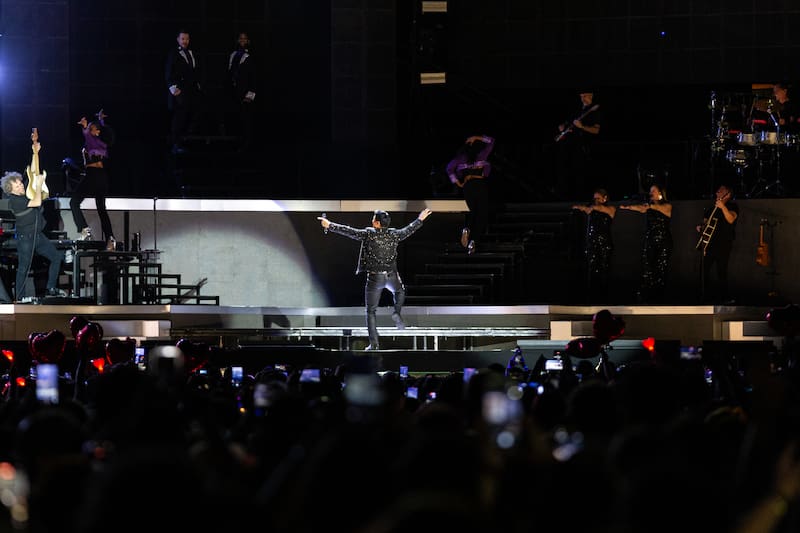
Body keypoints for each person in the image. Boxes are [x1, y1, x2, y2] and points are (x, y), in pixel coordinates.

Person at [317, 208, 433, 350]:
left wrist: (330, 225)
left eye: (373, 219)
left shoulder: (368, 234)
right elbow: (409, 229)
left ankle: (374, 344)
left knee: (371, 311)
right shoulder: (394, 234)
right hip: (391, 276)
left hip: (375, 279)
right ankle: (396, 312)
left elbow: (349, 231)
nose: (371, 220)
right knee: (399, 291)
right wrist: (420, 219)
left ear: (377, 223)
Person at [0, 140, 65, 301]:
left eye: (20, 183)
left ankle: (50, 288)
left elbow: (33, 173)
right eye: (17, 186)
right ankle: (20, 298)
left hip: (38, 236)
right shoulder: (14, 200)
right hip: (26, 239)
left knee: (56, 258)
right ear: (10, 189)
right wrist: (40, 184)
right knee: (23, 268)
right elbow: (36, 201)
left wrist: (35, 152)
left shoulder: (25, 193)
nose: (21, 186)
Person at [619, 183, 672, 304]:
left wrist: (649, 205)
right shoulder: (648, 206)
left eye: (653, 191)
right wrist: (628, 207)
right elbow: (641, 208)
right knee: (648, 268)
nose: (650, 193)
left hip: (663, 241)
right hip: (650, 240)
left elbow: (659, 208)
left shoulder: (667, 205)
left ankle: (659, 297)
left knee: (660, 269)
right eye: (650, 191)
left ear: (660, 193)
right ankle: (648, 296)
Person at [71, 109, 116, 250]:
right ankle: (110, 238)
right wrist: (100, 121)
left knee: (74, 202)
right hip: (102, 177)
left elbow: (89, 136)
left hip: (93, 175)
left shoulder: (94, 140)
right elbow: (96, 134)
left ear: (97, 132)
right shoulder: (100, 143)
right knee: (101, 209)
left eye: (92, 129)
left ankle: (84, 229)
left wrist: (85, 127)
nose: (89, 131)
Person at [446, 135, 495, 255]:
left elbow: (449, 168)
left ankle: (466, 228)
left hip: (468, 187)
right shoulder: (482, 155)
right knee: (481, 214)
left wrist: (458, 183)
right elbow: (491, 141)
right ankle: (473, 241)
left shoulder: (460, 158)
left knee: (471, 211)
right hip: (480, 185)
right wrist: (476, 137)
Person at [554, 91, 601, 200]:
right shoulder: (577, 111)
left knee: (581, 173)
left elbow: (596, 130)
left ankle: (582, 197)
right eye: (581, 96)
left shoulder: (595, 112)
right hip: (570, 147)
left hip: (584, 148)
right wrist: (563, 126)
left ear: (591, 96)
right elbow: (568, 123)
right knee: (567, 172)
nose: (583, 98)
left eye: (585, 96)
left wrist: (582, 127)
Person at [572, 188, 616, 303]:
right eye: (594, 198)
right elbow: (589, 210)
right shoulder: (592, 209)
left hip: (604, 243)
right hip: (592, 243)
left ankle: (604, 296)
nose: (595, 200)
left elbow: (600, 208)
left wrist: (586, 207)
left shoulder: (610, 209)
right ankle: (592, 295)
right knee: (592, 269)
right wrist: (582, 208)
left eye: (598, 198)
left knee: (604, 268)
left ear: (604, 198)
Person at [696, 184, 738, 304]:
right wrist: (700, 226)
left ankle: (725, 298)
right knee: (703, 270)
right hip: (709, 244)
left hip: (724, 244)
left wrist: (723, 207)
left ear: (727, 194)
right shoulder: (711, 209)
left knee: (721, 271)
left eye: (720, 191)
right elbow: (705, 222)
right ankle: (704, 296)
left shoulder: (732, 206)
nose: (716, 193)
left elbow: (731, 219)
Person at [165, 29, 204, 154]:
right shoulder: (174, 53)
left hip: (192, 91)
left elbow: (194, 71)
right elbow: (169, 72)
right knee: (179, 118)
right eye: (182, 39)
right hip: (180, 91)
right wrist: (173, 87)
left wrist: (198, 84)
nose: (185, 41)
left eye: (187, 39)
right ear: (178, 40)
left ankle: (185, 140)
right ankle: (176, 145)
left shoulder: (192, 53)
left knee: (194, 114)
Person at [227, 31, 257, 152]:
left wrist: (250, 94)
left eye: (245, 38)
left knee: (246, 119)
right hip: (234, 92)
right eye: (240, 38)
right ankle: (237, 143)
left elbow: (254, 76)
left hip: (245, 92)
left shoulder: (251, 56)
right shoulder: (233, 54)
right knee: (237, 118)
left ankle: (247, 145)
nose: (242, 40)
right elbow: (230, 73)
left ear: (248, 41)